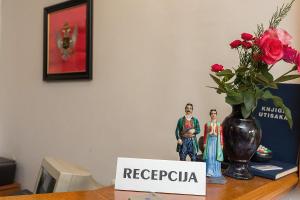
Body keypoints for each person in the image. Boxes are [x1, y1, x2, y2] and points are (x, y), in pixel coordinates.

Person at [203, 109, 224, 178]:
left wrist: (221, 143)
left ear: (216, 114)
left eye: (214, 113)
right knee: (209, 156)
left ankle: (216, 172)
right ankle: (209, 171)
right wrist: (205, 142)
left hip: (216, 142)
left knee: (216, 156)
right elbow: (205, 134)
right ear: (210, 114)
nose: (213, 115)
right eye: (212, 113)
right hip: (210, 141)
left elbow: (221, 135)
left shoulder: (219, 124)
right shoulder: (207, 124)